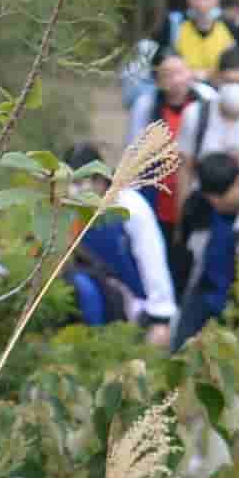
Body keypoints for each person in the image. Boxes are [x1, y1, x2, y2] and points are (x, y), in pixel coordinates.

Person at [57, 144, 173, 337]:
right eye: (70, 184)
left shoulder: (130, 207)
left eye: (79, 183)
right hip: (93, 299)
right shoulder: (71, 211)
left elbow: (152, 261)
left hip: (134, 308)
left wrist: (160, 318)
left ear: (100, 181)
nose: (72, 191)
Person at [173, 152, 239, 342]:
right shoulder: (197, 209)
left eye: (222, 196)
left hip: (237, 305)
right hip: (201, 296)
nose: (216, 202)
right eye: (211, 198)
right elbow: (184, 255)